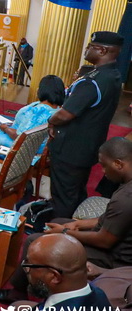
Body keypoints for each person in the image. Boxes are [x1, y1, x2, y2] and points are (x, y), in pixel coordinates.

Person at [0, 137, 132, 306]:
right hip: (114, 239)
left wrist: (64, 232)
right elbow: (110, 218)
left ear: (119, 164)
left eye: (104, 165)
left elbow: (105, 241)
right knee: (58, 221)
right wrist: (77, 224)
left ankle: (18, 292)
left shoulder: (125, 198)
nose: (103, 172)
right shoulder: (126, 187)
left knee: (38, 241)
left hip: (115, 257)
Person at [47, 31, 123, 217]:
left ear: (103, 50)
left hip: (70, 149)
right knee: (75, 191)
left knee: (63, 196)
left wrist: (51, 120)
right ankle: (72, 223)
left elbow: (65, 114)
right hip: (89, 145)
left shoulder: (92, 82)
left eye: (91, 47)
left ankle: (58, 235)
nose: (86, 50)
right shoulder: (113, 75)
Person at [0, 75, 65, 153]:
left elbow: (20, 137)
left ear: (43, 90)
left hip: (24, 149)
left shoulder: (39, 111)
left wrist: (6, 129)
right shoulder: (58, 110)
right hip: (34, 145)